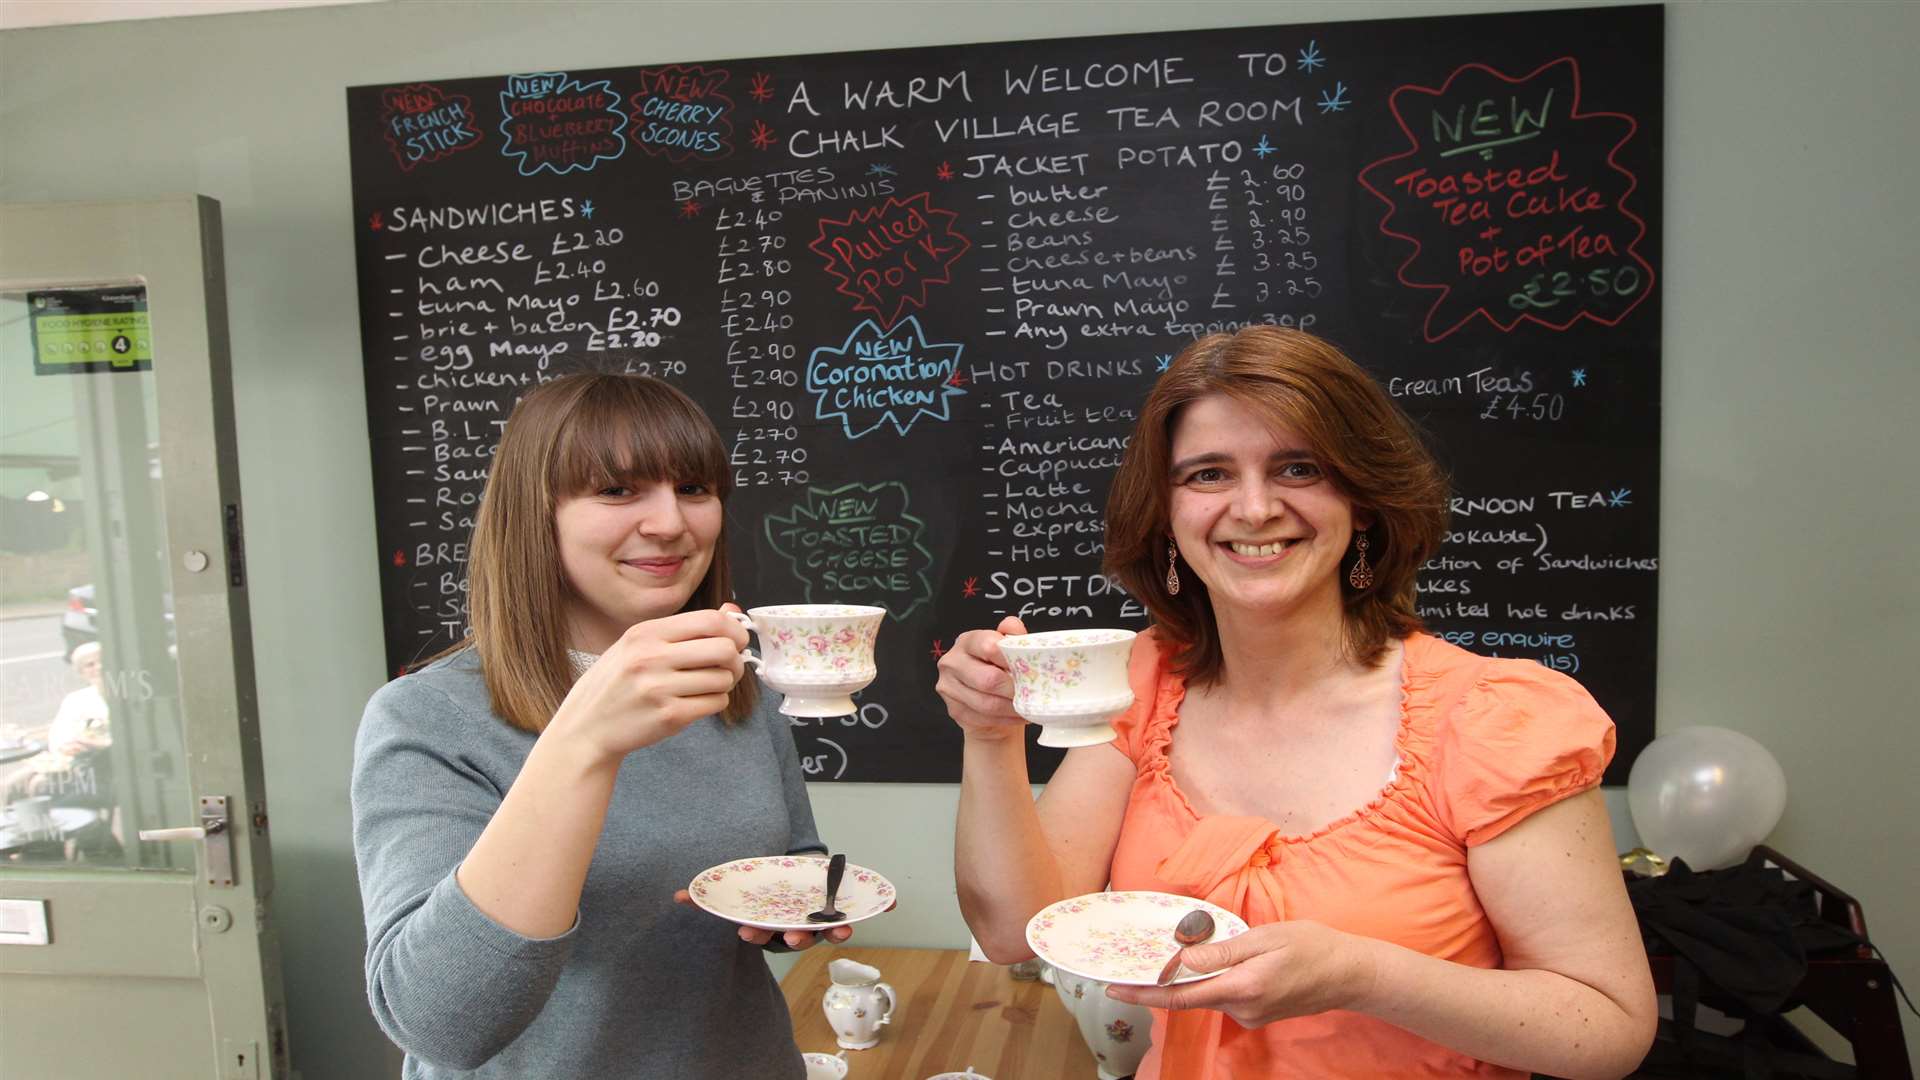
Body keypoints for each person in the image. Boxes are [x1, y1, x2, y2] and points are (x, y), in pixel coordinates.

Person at [939, 327, 1657, 1079]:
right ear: (1166, 513)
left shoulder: (1497, 720)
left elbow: (1607, 1030)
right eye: (1208, 473)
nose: (1253, 508)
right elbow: (1015, 933)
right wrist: (988, 736)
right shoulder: (1142, 680)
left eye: (1298, 467)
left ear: (1365, 499)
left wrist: (1363, 975)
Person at [352, 372, 845, 1079]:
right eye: (617, 491)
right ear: (535, 514)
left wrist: (791, 908)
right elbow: (441, 1024)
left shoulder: (738, 687)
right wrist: (584, 739)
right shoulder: (427, 718)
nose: (672, 522)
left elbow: (794, 854)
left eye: (695, 489)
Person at [5, 640, 111, 802]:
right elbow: (58, 736)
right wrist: (65, 746)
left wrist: (92, 745)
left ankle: (41, 824)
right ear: (82, 673)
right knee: (9, 785)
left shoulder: (122, 700)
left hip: (97, 768)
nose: (99, 667)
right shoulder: (75, 699)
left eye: (103, 661)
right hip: (65, 764)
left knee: (37, 786)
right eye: (90, 665)